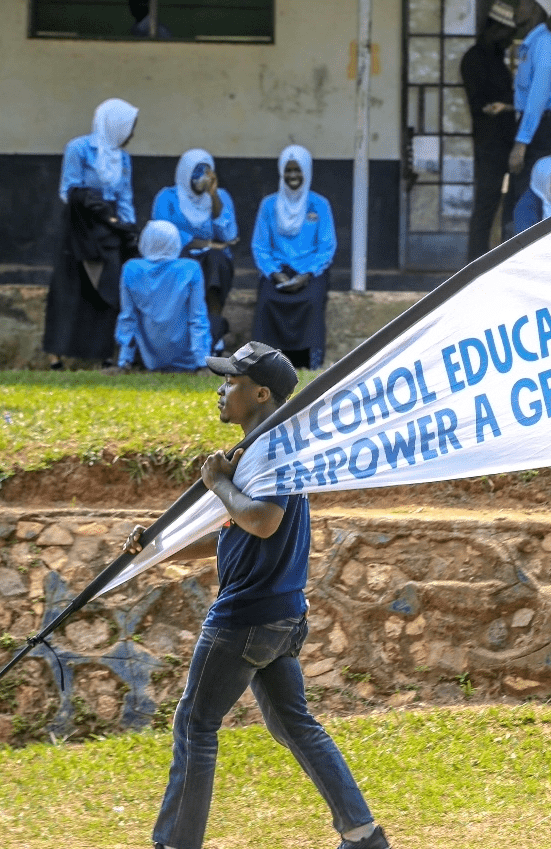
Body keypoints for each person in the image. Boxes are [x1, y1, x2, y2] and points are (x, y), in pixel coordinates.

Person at [124, 341, 390, 849]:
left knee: (195, 725)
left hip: (244, 618)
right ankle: (363, 835)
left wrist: (218, 484)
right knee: (294, 724)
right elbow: (235, 530)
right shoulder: (264, 451)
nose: (221, 391)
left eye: (231, 382)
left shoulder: (270, 453)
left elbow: (262, 520)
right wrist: (158, 547)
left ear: (262, 393)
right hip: (281, 618)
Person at [43, 97, 140, 370]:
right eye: (129, 127)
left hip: (110, 229)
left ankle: (105, 354)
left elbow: (125, 197)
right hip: (81, 225)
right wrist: (97, 208)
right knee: (69, 288)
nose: (131, 134)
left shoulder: (123, 158)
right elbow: (69, 189)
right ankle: (55, 356)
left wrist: (128, 229)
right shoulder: (79, 148)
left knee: (108, 288)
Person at [250, 145, 336, 370]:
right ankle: (265, 360)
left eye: (298, 170)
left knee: (312, 300)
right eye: (288, 170)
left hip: (310, 269)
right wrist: (274, 273)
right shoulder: (269, 205)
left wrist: (307, 274)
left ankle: (310, 360)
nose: (293, 175)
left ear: (307, 171)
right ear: (281, 172)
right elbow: (260, 246)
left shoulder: (319, 204)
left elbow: (326, 247)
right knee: (267, 300)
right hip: (278, 268)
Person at [152, 148, 239, 355]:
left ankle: (214, 336)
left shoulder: (221, 197)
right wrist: (204, 243)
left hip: (211, 258)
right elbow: (164, 233)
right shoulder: (167, 197)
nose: (202, 177)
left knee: (217, 262)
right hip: (177, 255)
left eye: (207, 172)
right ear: (185, 171)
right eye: (196, 171)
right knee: (186, 267)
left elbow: (229, 235)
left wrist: (214, 196)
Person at [459, 1, 518, 262]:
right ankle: (474, 265)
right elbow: (481, 104)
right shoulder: (474, 59)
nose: (509, 39)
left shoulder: (495, 59)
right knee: (485, 207)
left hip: (505, 143)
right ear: (494, 29)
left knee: (506, 207)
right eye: (506, 33)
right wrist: (508, 104)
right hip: (490, 145)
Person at [113, 220, 210, 373]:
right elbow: (198, 318)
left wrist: (124, 361)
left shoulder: (131, 269)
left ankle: (128, 362)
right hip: (188, 358)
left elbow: (128, 318)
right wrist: (202, 363)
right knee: (219, 324)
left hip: (151, 359)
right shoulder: (190, 268)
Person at [505, 0, 551, 238]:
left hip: (539, 128)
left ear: (536, 8)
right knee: (521, 195)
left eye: (523, 3)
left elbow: (538, 97)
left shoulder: (544, 43)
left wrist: (521, 143)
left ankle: (528, 251)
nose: (517, 8)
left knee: (528, 197)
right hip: (532, 125)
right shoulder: (532, 44)